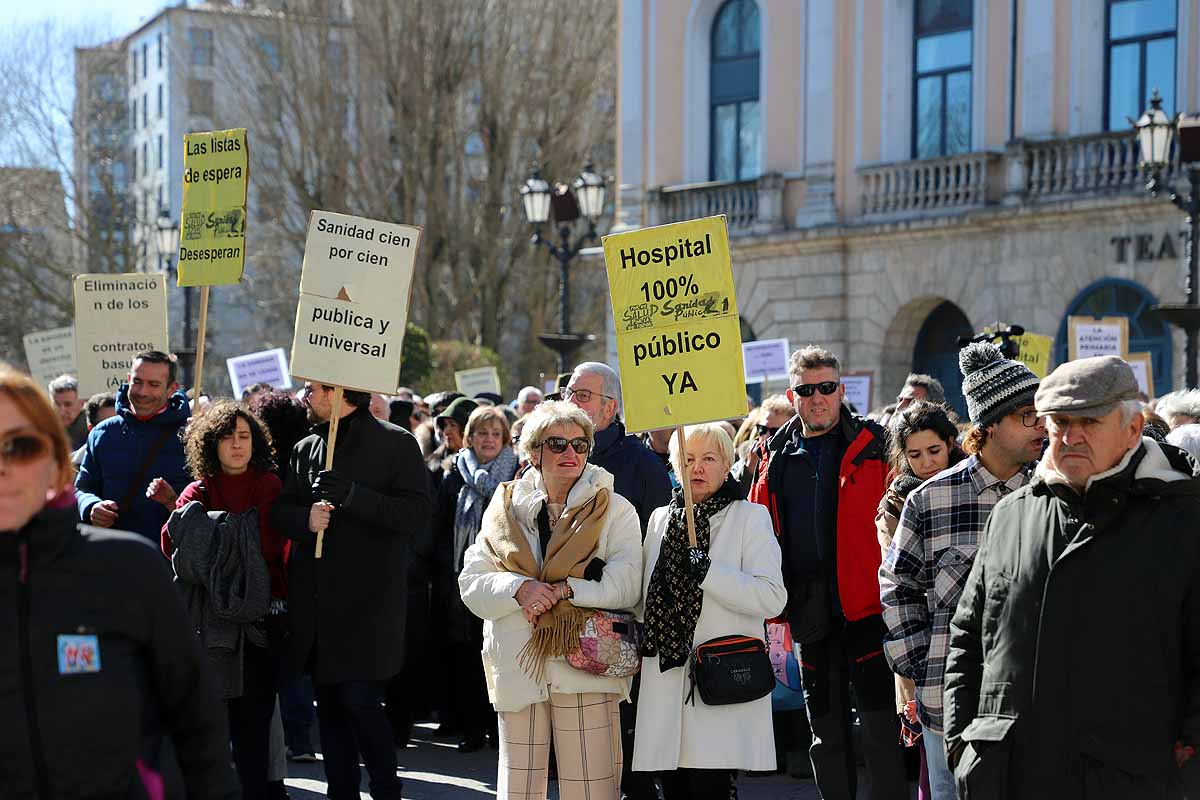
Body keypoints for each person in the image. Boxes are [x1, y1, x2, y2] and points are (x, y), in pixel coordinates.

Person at [944, 356, 1200, 799]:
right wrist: (964, 746)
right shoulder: (1013, 514)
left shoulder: (1183, 517)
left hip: (1131, 778)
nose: (1071, 435)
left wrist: (1186, 752)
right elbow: (968, 635)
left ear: (1133, 429)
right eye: (1060, 421)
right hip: (1012, 776)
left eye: (1090, 421)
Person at [0, 364, 238, 797]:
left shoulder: (128, 569)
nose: (3, 467)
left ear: (53, 463)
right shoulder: (106, 434)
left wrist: (177, 501)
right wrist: (90, 505)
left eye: (20, 447)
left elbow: (195, 724)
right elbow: (88, 485)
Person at [879, 343, 1043, 800]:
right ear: (991, 425)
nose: (1041, 425)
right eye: (1027, 415)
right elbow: (898, 587)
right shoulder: (929, 500)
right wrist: (920, 665)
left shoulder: (1054, 491)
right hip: (948, 706)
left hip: (1035, 704)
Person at [458, 400, 642, 800]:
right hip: (518, 660)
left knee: (591, 790)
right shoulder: (504, 506)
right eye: (557, 444)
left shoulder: (614, 508)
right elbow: (472, 581)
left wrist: (566, 590)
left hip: (585, 665)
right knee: (519, 790)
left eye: (580, 444)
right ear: (534, 452)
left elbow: (627, 585)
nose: (571, 453)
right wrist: (518, 589)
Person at [749, 345, 906, 800]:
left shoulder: (875, 444)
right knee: (828, 735)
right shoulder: (773, 456)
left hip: (868, 610)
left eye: (827, 387)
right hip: (810, 614)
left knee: (880, 731)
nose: (818, 397)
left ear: (841, 390)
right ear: (792, 393)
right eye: (806, 389)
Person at [272, 382, 430, 799]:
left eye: (313, 389)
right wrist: (305, 519)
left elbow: (416, 515)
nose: (305, 396)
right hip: (317, 606)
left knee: (359, 702)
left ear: (338, 390)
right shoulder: (306, 446)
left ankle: (385, 789)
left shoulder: (396, 443)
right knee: (330, 711)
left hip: (369, 606)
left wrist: (355, 496)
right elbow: (282, 511)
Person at [634, 424, 786, 798]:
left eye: (708, 459)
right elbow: (643, 598)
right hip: (665, 681)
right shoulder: (660, 519)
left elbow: (772, 598)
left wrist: (707, 573)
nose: (697, 468)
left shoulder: (750, 517)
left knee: (710, 789)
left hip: (720, 680)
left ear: (727, 465)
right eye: (686, 460)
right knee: (673, 789)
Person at [163, 400, 289, 800]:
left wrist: (213, 531)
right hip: (206, 627)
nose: (237, 445)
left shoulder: (269, 485)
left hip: (258, 627)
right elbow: (177, 550)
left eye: (244, 436)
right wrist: (232, 536)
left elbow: (268, 546)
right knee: (210, 728)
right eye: (227, 437)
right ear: (210, 444)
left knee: (252, 729)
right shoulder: (196, 490)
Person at [564, 361, 671, 799]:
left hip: (625, 618)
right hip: (568, 614)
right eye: (569, 392)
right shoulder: (554, 456)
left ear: (610, 408)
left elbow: (660, 543)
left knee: (627, 732)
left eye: (583, 395)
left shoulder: (642, 464)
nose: (572, 402)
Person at [433, 405, 520, 751]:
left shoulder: (516, 475)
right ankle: (472, 728)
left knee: (498, 654)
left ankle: (500, 732)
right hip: (460, 579)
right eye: (482, 433)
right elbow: (439, 525)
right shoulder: (454, 473)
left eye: (495, 434)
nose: (488, 440)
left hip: (501, 580)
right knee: (466, 656)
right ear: (470, 438)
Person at [249, 389, 319, 763]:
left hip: (265, 570)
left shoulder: (260, 471)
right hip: (296, 572)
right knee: (293, 655)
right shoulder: (306, 461)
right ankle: (301, 737)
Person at [74, 350, 192, 542]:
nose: (142, 392)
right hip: (114, 556)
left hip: (171, 561)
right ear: (128, 379)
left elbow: (210, 501)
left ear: (171, 389)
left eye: (153, 384)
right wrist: (91, 506)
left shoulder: (193, 436)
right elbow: (83, 487)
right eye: (137, 382)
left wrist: (174, 501)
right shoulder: (102, 433)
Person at [731, 394, 793, 499]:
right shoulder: (746, 458)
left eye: (775, 432)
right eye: (762, 429)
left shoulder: (799, 462)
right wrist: (749, 471)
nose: (766, 436)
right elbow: (732, 498)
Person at [430, 397, 477, 490]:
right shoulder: (435, 466)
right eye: (445, 425)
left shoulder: (483, 465)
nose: (446, 431)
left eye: (452, 425)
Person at [70, 391, 116, 467]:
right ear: (91, 429)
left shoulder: (138, 464)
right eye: (107, 426)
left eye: (121, 424)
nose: (116, 432)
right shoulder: (67, 469)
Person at [48, 374, 88, 449]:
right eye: (56, 404)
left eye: (68, 404)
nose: (61, 411)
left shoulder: (92, 430)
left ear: (81, 403)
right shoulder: (44, 429)